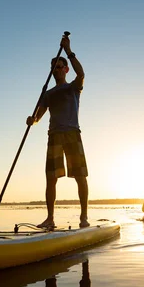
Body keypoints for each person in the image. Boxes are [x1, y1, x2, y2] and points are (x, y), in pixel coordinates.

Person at [27, 34, 89, 229]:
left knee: (80, 176)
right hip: (54, 135)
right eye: (54, 67)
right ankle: (50, 218)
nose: (56, 70)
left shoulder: (73, 87)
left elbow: (81, 74)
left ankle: (84, 217)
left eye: (60, 66)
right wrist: (33, 120)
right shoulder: (47, 93)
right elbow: (39, 116)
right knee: (51, 178)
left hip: (72, 133)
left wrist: (69, 51)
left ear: (66, 69)